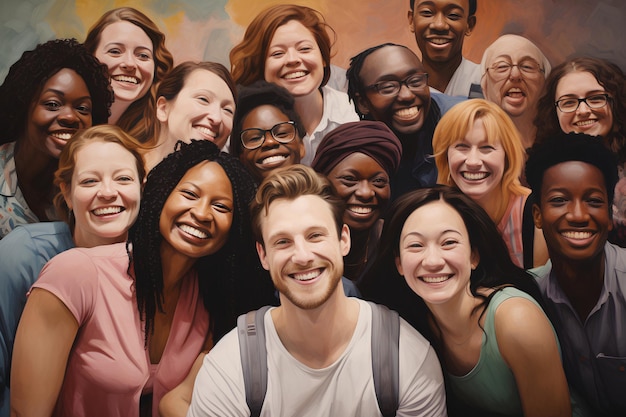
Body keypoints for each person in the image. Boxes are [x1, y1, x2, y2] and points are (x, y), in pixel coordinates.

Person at [10, 140, 276, 417]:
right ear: (161, 193)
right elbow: (26, 412)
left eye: (221, 207)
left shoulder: (213, 302)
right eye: (189, 194)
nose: (201, 213)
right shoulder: (75, 273)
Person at [185, 165, 446, 416]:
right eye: (283, 241)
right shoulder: (231, 365)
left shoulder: (406, 357)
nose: (302, 256)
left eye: (315, 236)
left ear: (344, 239)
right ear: (263, 255)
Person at [360, 185, 572, 416]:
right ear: (399, 264)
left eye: (449, 242)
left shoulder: (516, 320)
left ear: (473, 256)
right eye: (416, 245)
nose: (432, 261)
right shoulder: (411, 322)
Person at [0, 125, 144, 415]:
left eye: (124, 179)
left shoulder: (150, 264)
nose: (107, 192)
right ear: (66, 192)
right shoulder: (23, 254)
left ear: (143, 186)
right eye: (90, 181)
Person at [526, 132, 626, 415]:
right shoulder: (529, 298)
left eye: (593, 201)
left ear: (610, 214)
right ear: (537, 215)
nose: (578, 215)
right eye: (559, 200)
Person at [0, 38, 113, 238]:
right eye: (53, 104)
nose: (69, 117)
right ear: (23, 106)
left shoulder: (93, 186)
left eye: (82, 108)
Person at [229, 4, 359, 165]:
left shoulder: (350, 112)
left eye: (304, 49)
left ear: (323, 58)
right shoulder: (240, 123)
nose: (293, 59)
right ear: (260, 65)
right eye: (278, 53)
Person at [433, 99, 548, 268]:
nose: (473, 161)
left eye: (486, 148)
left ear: (507, 156)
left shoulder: (534, 213)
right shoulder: (432, 214)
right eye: (462, 147)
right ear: (445, 156)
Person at [346, 42, 464, 198]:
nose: (407, 95)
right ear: (363, 103)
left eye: (415, 81)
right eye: (388, 87)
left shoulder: (462, 122)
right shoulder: (355, 147)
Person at [534, 57, 626, 246]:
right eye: (568, 102)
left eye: (596, 98)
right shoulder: (542, 173)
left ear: (615, 102)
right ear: (554, 113)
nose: (583, 110)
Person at [311, 121, 402, 282]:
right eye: (349, 179)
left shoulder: (394, 243)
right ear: (323, 182)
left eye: (379, 181)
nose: (365, 193)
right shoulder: (304, 243)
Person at [84, 6, 174, 143]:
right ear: (89, 58)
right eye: (115, 51)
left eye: (143, 55)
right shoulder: (66, 120)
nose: (130, 63)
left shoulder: (162, 136)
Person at [144, 61, 237, 171]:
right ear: (163, 108)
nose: (217, 118)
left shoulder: (226, 184)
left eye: (227, 110)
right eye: (203, 99)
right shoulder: (123, 160)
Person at [480, 34, 551, 150]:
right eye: (502, 66)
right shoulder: (469, 139)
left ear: (545, 82)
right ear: (485, 85)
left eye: (527, 67)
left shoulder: (562, 143)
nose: (515, 75)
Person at [229, 80, 305, 183]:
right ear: (241, 157)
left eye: (281, 133)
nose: (270, 142)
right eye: (255, 138)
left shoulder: (324, 197)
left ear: (301, 146)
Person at [408, 0, 482, 98]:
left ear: (469, 24)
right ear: (412, 20)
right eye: (427, 13)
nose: (439, 25)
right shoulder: (400, 89)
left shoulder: (487, 83)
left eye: (453, 15)